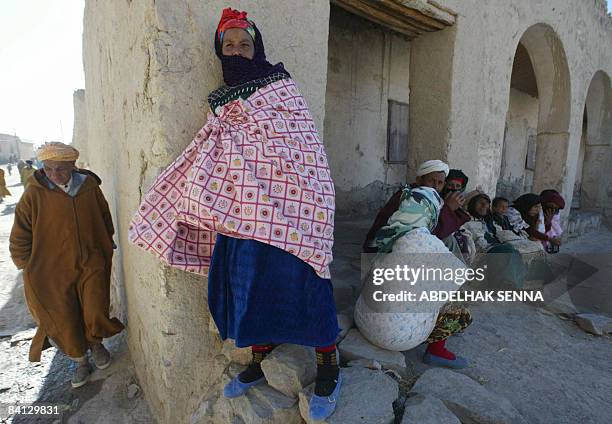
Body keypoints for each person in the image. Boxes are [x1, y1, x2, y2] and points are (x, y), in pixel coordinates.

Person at [128, 8, 341, 420]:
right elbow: (215, 149)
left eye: (245, 44)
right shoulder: (220, 102)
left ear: (256, 48)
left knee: (305, 282)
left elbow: (303, 149)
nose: (237, 51)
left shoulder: (280, 89)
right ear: (219, 51)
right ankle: (260, 358)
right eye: (229, 45)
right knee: (248, 287)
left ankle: (329, 363)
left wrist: (298, 201)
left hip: (292, 211)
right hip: (239, 213)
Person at [9, 142, 124, 388]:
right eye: (48, 169)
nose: (54, 175)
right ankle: (80, 360)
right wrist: (24, 261)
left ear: (73, 165)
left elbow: (104, 216)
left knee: (95, 305)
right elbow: (21, 230)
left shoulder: (89, 187)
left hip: (91, 259)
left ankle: (96, 343)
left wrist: (106, 242)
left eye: (60, 169)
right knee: (64, 313)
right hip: (51, 266)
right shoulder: (34, 193)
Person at [355, 186, 472, 368]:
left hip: (362, 319)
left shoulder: (387, 231)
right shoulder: (427, 242)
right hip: (391, 337)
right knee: (458, 297)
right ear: (431, 213)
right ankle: (436, 350)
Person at [363, 162, 471, 262]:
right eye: (431, 181)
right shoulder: (411, 195)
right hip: (388, 245)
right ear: (419, 180)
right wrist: (448, 208)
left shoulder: (432, 197)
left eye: (440, 183)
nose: (436, 186)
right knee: (448, 240)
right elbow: (426, 229)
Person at [462, 193, 527, 288]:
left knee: (515, 251)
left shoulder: (486, 220)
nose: (484, 206)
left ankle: (514, 284)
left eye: (487, 203)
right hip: (480, 251)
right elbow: (477, 242)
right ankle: (500, 284)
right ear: (472, 204)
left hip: (491, 246)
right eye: (480, 203)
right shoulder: (467, 220)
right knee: (505, 250)